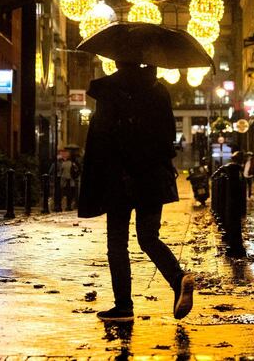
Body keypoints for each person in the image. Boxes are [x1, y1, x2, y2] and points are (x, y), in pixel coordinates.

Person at [79, 61, 194, 322]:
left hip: (119, 178)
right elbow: (168, 137)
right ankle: (178, 279)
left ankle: (124, 307)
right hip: (152, 177)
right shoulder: (159, 91)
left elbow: (103, 137)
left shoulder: (110, 91)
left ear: (118, 60)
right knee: (148, 237)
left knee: (117, 243)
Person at [213, 151, 247, 257]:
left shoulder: (234, 170)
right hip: (233, 202)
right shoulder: (238, 170)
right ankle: (235, 244)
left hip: (233, 202)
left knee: (232, 217)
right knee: (232, 217)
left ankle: (234, 245)